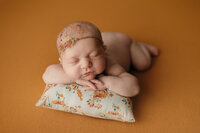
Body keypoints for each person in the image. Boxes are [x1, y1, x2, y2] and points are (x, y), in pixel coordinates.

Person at [42, 21, 159, 97]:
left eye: (93, 55)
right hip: (99, 41)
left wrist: (107, 82)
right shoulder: (69, 63)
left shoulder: (109, 64)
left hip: (122, 42)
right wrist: (74, 78)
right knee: (88, 46)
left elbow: (133, 88)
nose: (85, 64)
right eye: (75, 61)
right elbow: (47, 75)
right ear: (61, 62)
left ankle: (141, 46)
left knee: (143, 63)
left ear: (103, 51)